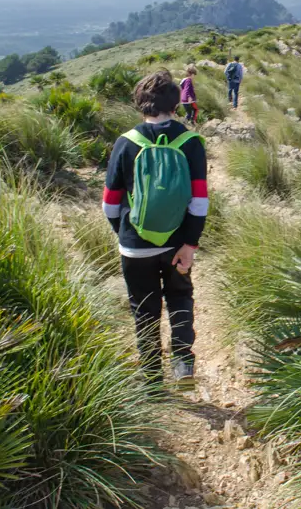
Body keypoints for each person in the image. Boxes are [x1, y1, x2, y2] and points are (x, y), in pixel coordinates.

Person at [103, 70, 208, 386]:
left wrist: (126, 230)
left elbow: (110, 204)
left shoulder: (125, 143)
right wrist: (189, 243)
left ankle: (151, 381)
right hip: (177, 242)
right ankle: (182, 364)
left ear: (140, 105)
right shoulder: (190, 143)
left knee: (143, 309)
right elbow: (199, 202)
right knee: (179, 296)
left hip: (135, 245)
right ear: (176, 105)